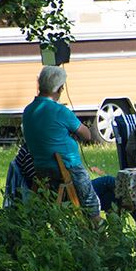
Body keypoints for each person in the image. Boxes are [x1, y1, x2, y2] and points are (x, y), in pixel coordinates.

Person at [22, 66, 116, 217]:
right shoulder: (60, 111)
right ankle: (105, 227)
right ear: (59, 88)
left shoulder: (28, 111)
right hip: (69, 172)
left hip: (44, 177)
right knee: (105, 188)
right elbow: (87, 135)